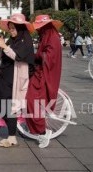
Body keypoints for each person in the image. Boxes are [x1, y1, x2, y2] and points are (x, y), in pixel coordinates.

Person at [0, 13, 35, 148]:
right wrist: (1, 46)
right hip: (2, 75)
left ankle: (12, 137)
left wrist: (5, 47)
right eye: (10, 28)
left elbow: (17, 56)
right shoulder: (13, 40)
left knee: (8, 105)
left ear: (20, 27)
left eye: (13, 28)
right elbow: (3, 57)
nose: (11, 30)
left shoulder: (25, 41)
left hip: (14, 79)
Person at [25, 14, 63, 149]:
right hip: (40, 71)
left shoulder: (51, 37)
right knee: (31, 100)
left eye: (40, 27)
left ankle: (42, 131)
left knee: (32, 100)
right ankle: (36, 127)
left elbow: (49, 56)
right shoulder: (48, 34)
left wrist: (36, 56)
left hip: (43, 74)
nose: (38, 29)